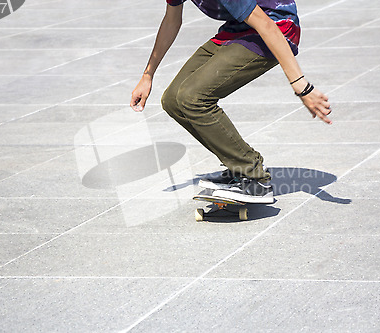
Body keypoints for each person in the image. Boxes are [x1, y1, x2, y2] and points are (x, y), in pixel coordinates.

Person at [130, 0, 332, 204]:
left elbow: (266, 25)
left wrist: (302, 87)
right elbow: (171, 21)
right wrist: (148, 75)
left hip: (276, 26)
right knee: (173, 100)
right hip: (238, 29)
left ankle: (255, 179)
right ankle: (239, 168)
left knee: (193, 98)